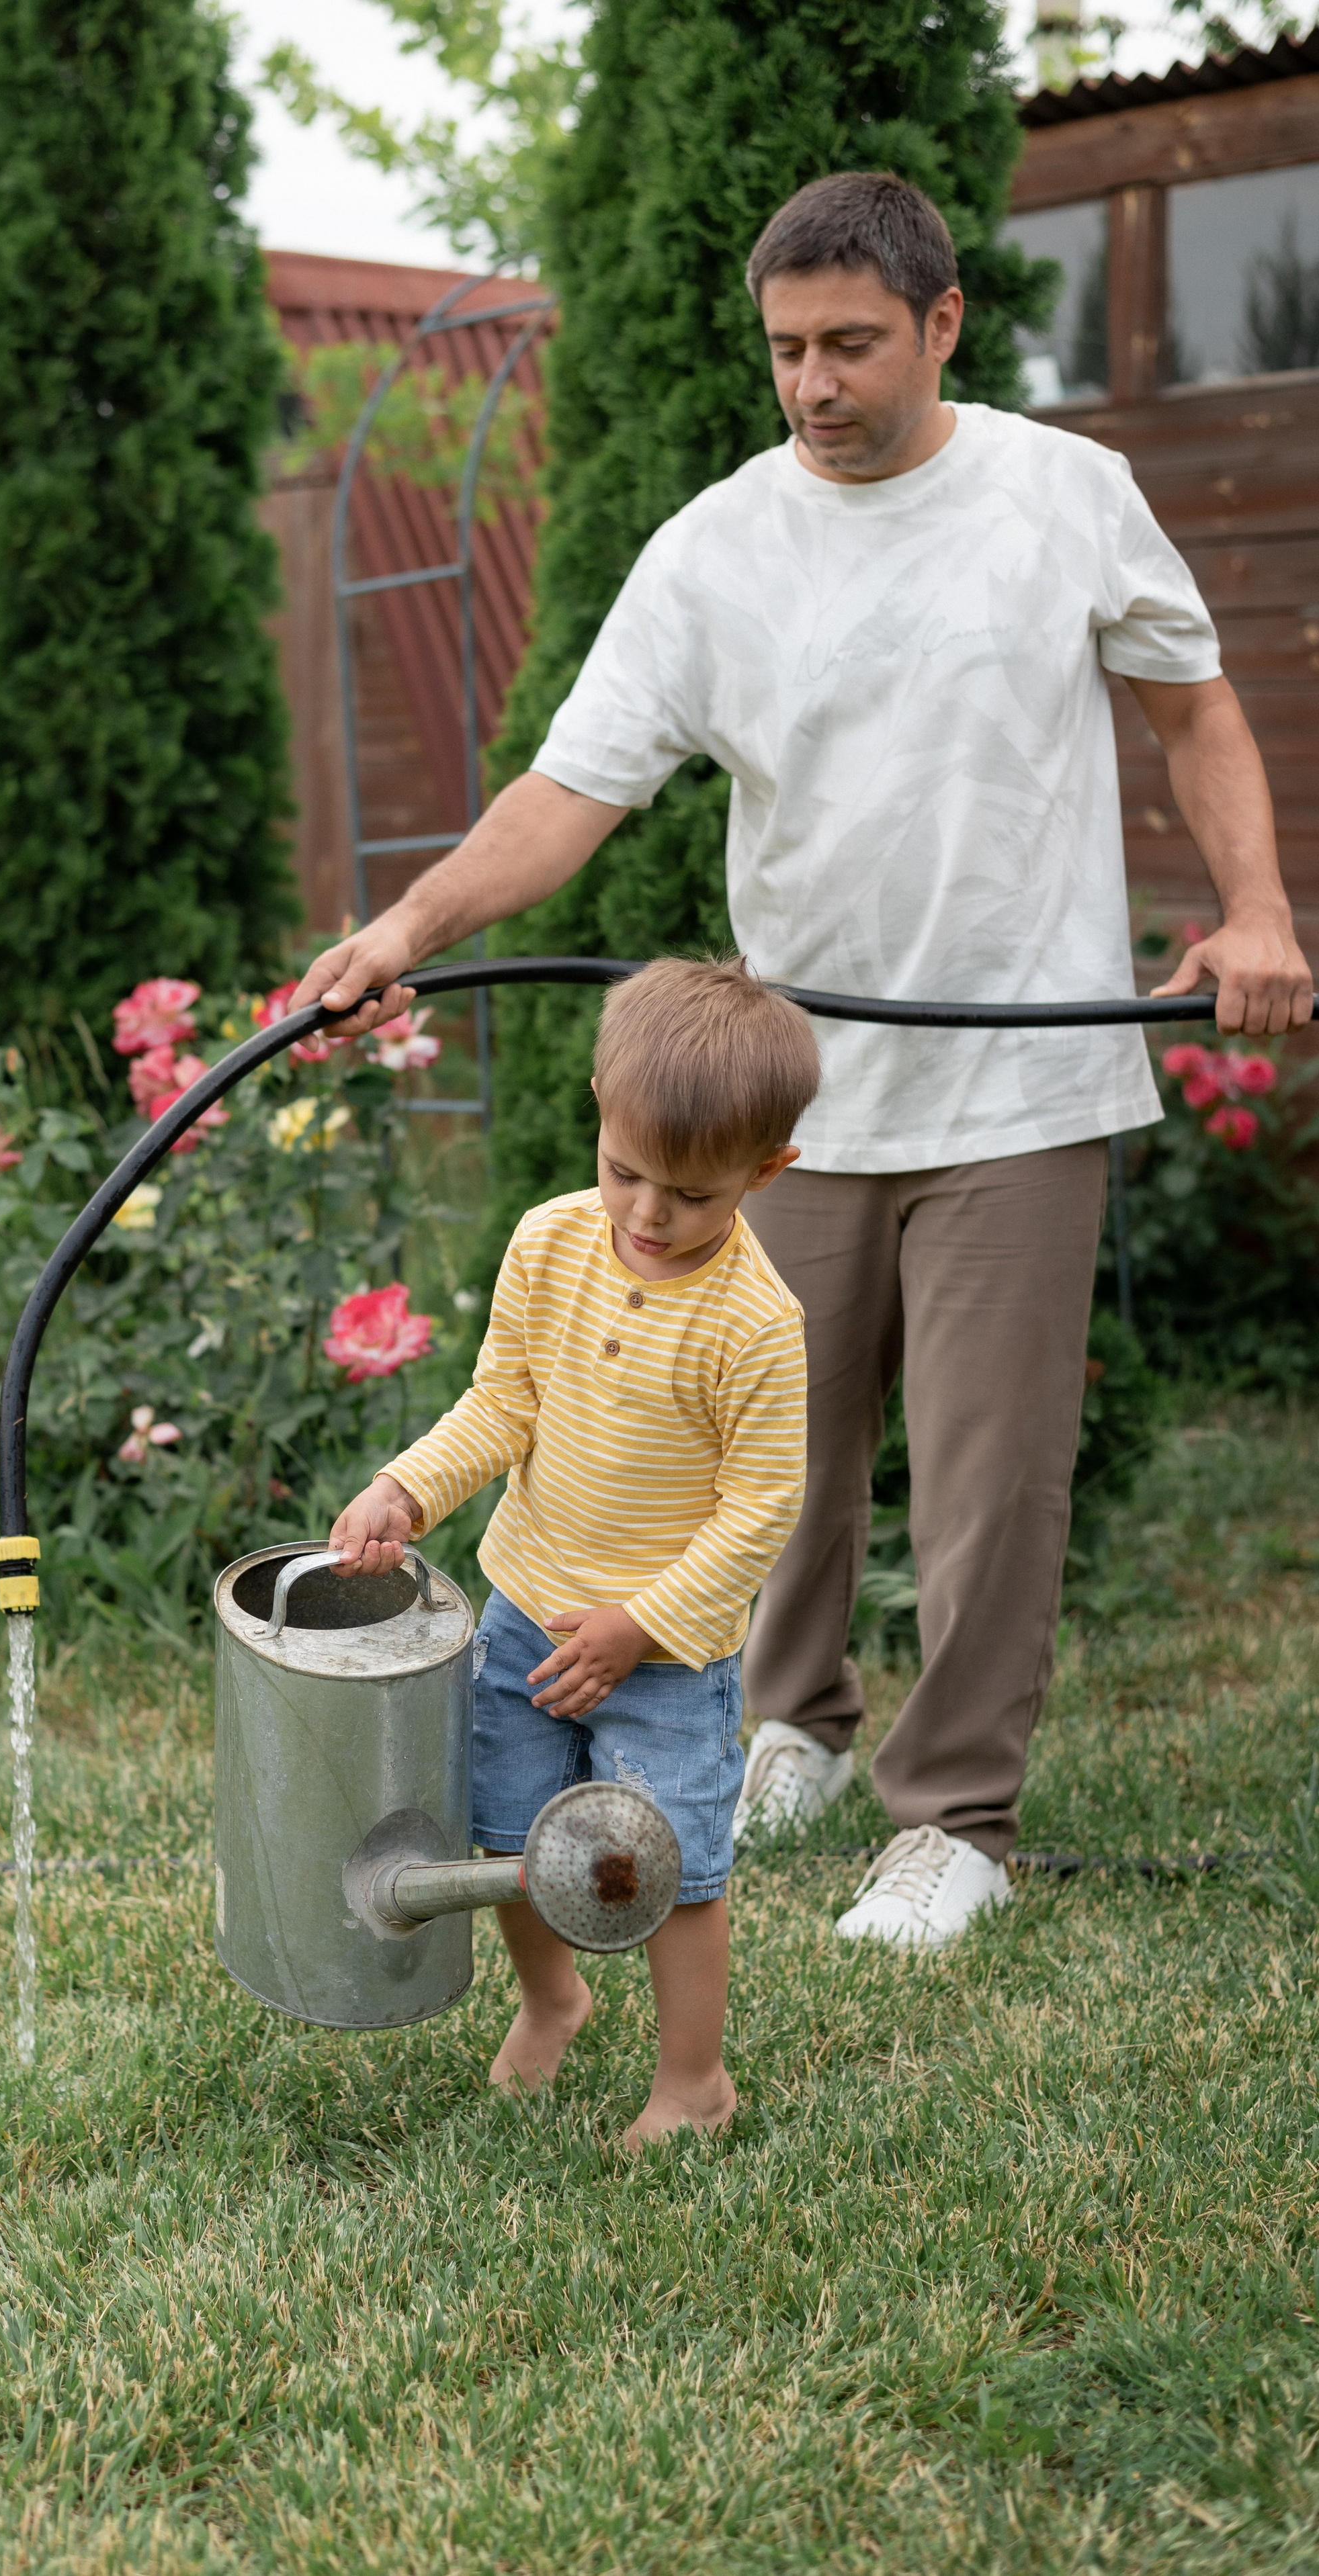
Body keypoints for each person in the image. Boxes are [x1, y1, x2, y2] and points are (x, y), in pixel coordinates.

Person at [298, 171, 1314, 1952]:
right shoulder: (714, 549)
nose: (815, 383)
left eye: (852, 344)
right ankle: (797, 1726)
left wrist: (1255, 911)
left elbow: (1195, 704)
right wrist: (403, 934)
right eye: (786, 350)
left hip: (1019, 1088)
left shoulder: (1064, 498)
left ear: (940, 326)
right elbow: (569, 795)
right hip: (789, 1109)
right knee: (760, 1447)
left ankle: (956, 1817)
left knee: (992, 1473)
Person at [329, 959, 819, 2145]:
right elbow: (503, 1406)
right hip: (526, 1618)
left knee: (670, 1865)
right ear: (599, 1105)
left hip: (661, 1658)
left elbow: (761, 1509)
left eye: (694, 1197)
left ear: (767, 1174)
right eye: (625, 1174)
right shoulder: (550, 1246)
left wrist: (637, 1626)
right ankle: (555, 1998)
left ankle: (695, 2083)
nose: (648, 1216)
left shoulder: (758, 1327)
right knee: (508, 1828)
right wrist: (409, 1488)